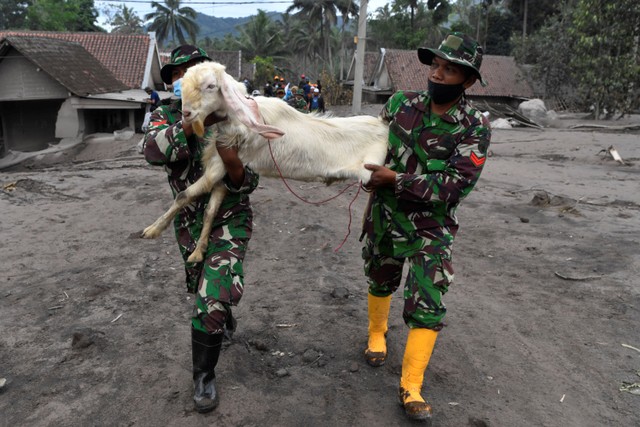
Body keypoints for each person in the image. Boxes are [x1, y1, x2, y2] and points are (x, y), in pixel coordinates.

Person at [360, 32, 491, 423]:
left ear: (467, 80)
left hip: (431, 227)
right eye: (436, 65)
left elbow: (456, 184)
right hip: (385, 216)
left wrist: (395, 180)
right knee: (380, 277)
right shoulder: (401, 104)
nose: (438, 73)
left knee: (428, 302)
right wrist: (359, 171)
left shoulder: (474, 126)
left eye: (450, 70)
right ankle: (376, 335)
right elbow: (370, 144)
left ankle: (411, 386)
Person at [143, 45, 260, 414]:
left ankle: (203, 376)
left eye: (193, 70)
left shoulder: (237, 110)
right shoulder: (163, 114)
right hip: (189, 222)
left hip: (231, 216)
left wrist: (234, 166)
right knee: (200, 286)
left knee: (212, 294)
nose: (184, 79)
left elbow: (251, 177)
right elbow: (152, 150)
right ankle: (222, 312)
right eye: (177, 74)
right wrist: (197, 123)